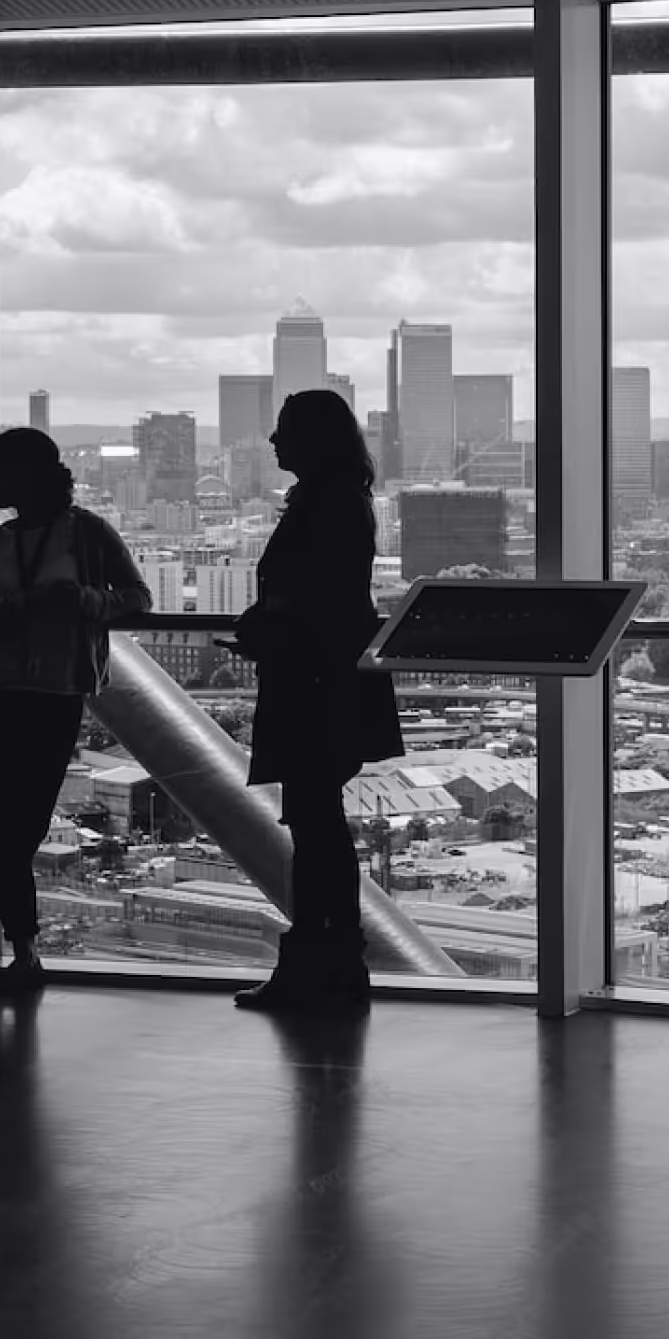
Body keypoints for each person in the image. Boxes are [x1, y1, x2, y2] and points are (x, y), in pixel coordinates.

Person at [0, 427, 151, 989]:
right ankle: (24, 951)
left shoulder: (87, 534)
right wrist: (21, 609)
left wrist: (79, 600)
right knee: (12, 829)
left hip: (48, 695)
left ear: (26, 474)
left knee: (20, 829)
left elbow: (137, 599)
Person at [232, 389, 403, 1011]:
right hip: (329, 681)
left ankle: (315, 963)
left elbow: (316, 599)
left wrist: (267, 627)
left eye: (282, 430)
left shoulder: (323, 503)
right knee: (321, 828)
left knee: (316, 831)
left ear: (312, 438)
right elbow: (332, 597)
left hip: (312, 685)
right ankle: (334, 963)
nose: (273, 442)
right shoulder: (343, 500)